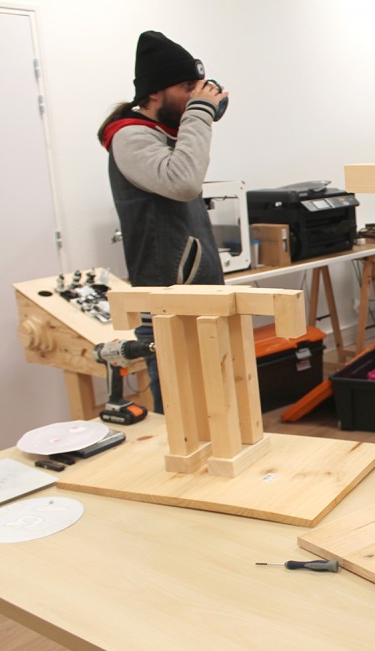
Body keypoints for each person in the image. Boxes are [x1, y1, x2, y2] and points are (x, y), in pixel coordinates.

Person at [97, 30, 229, 413]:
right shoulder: (130, 137)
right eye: (187, 88)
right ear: (154, 93)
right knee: (183, 417)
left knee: (214, 410)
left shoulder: (163, 134)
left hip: (196, 297)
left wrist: (197, 111)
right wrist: (200, 113)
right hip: (168, 304)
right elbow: (184, 182)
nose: (195, 96)